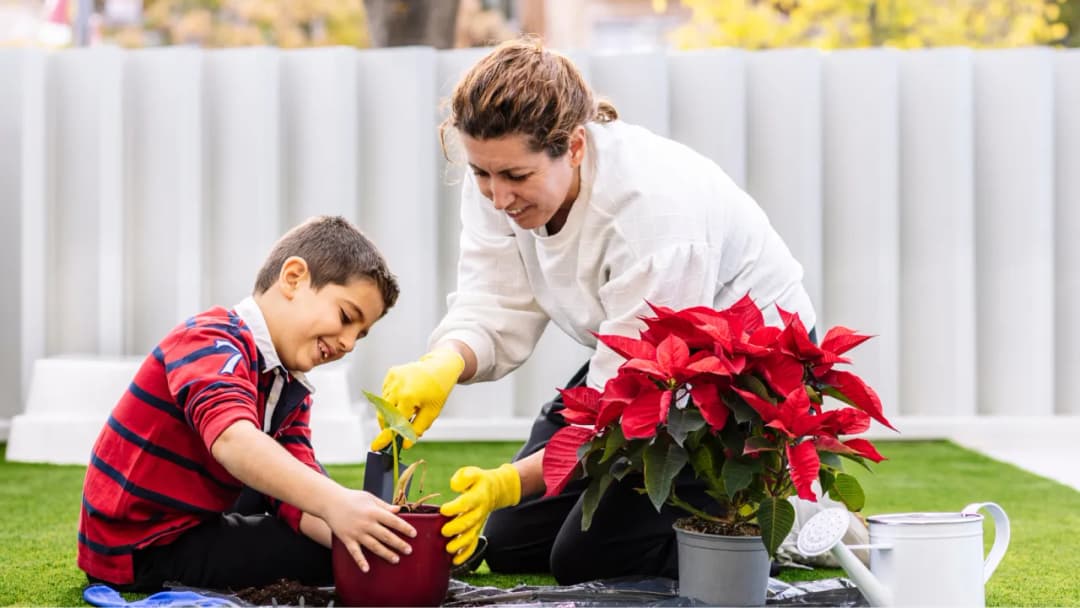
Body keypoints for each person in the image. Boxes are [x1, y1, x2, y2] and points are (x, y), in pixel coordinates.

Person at [370, 37, 816, 584]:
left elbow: (623, 410)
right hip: (637, 367)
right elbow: (496, 298)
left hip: (739, 380)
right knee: (511, 543)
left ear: (575, 146)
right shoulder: (496, 173)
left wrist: (509, 481)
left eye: (515, 177)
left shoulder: (652, 215)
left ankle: (785, 530)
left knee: (590, 559)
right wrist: (445, 362)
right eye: (482, 173)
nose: (498, 197)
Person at [78, 216, 417, 592]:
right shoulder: (209, 338)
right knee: (320, 553)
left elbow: (296, 486)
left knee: (307, 491)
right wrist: (337, 506)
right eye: (345, 317)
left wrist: (364, 531)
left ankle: (388, 544)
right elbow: (233, 441)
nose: (349, 343)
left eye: (361, 334)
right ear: (293, 278)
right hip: (144, 546)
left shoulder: (285, 381)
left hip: (194, 515)